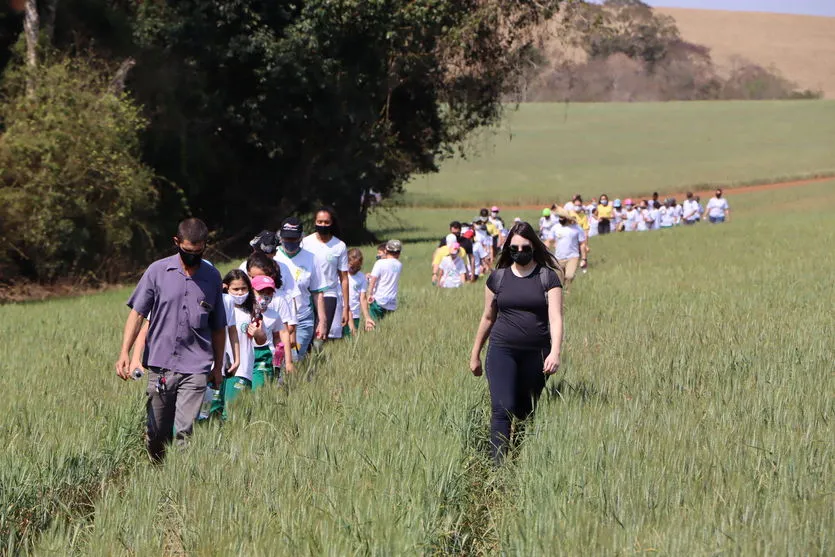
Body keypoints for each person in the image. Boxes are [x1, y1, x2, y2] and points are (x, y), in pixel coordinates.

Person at [116, 218, 226, 462]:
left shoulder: (212, 277)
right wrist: (125, 352)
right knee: (156, 432)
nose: (193, 257)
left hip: (196, 365)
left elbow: (219, 327)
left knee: (185, 432)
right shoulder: (157, 271)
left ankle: (181, 481)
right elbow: (138, 313)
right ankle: (158, 471)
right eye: (187, 251)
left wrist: (218, 367)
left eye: (199, 252)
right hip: (161, 364)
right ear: (177, 243)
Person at [469, 221, 563, 464]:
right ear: (507, 248)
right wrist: (475, 354)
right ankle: (498, 467)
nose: (520, 252)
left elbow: (555, 317)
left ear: (533, 246)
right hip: (502, 350)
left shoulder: (547, 277)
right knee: (502, 407)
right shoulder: (497, 279)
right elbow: (487, 317)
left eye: (525, 247)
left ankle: (521, 459)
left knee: (525, 409)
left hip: (537, 354)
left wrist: (555, 352)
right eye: (514, 248)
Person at [274, 217, 327, 359]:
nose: (290, 243)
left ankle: (295, 378)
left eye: (294, 239)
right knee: (277, 359)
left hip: (302, 319)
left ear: (301, 238)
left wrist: (322, 321)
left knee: (294, 356)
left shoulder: (311, 259)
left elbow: (318, 293)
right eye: (287, 239)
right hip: (277, 318)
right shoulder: (274, 257)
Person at [302, 207, 353, 337]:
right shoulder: (305, 243)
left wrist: (346, 308)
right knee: (307, 334)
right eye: (319, 222)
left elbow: (344, 279)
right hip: (307, 293)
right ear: (314, 222)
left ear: (332, 223)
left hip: (329, 294)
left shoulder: (339, 246)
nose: (323, 225)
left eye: (326, 222)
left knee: (321, 335)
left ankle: (317, 355)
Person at [368, 239, 403, 321]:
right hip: (392, 301)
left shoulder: (380, 263)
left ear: (386, 250)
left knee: (373, 323)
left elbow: (373, 280)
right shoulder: (399, 265)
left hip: (379, 299)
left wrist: (369, 294)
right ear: (399, 253)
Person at [552, 208, 586, 291]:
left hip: (572, 256)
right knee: (559, 279)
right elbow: (550, 240)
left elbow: (582, 244)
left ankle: (568, 293)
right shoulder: (555, 227)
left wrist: (584, 258)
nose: (560, 219)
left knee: (569, 276)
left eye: (562, 217)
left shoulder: (577, 228)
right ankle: (561, 296)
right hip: (558, 258)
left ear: (567, 218)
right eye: (559, 217)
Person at [344, 248, 375, 335]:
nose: (352, 269)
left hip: (355, 314)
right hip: (341, 313)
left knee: (352, 338)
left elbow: (363, 298)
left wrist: (367, 317)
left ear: (360, 264)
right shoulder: (341, 275)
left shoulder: (361, 277)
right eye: (350, 265)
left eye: (356, 266)